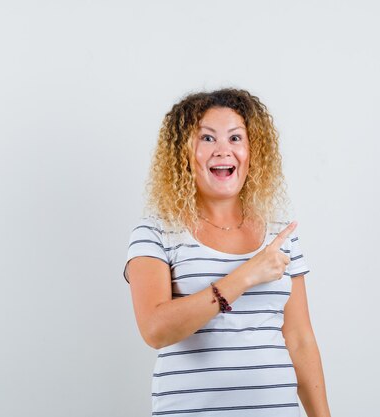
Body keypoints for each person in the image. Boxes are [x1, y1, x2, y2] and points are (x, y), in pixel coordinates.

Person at [124, 88, 331, 417]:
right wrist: (246, 275)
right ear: (184, 153)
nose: (223, 150)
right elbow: (155, 329)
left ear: (252, 151)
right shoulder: (155, 233)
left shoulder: (280, 235)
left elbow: (300, 338)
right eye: (207, 138)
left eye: (236, 138)